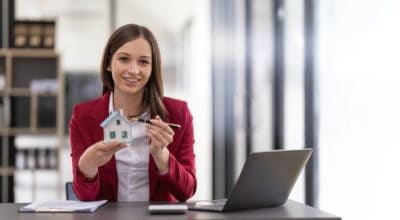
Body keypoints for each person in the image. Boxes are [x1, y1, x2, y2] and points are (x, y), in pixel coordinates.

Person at [69, 24, 196, 202]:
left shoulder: (178, 114)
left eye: (143, 62)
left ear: (152, 68)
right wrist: (88, 165)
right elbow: (85, 196)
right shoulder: (82, 116)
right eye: (124, 59)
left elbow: (186, 191)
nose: (133, 70)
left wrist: (161, 155)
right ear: (108, 63)